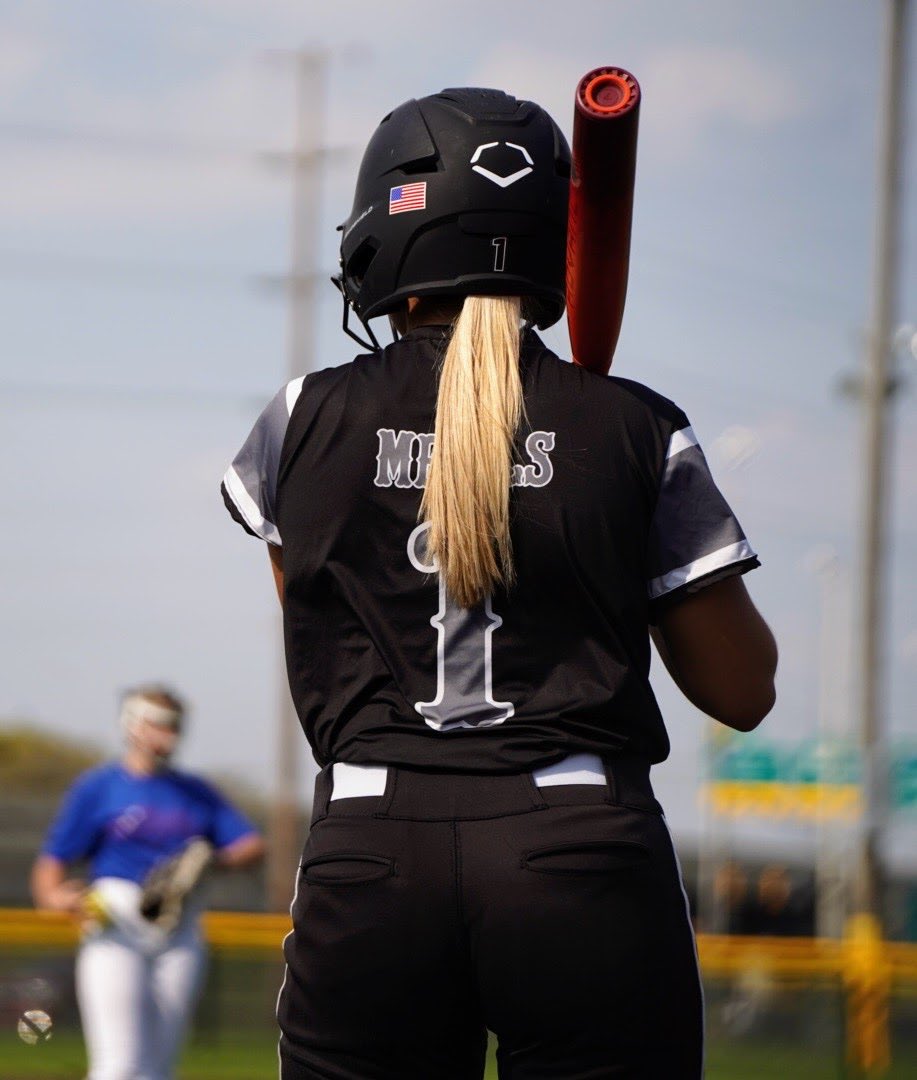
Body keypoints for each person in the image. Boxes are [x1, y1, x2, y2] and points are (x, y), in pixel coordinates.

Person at [222, 86, 777, 1079]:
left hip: (371, 850)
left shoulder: (301, 416)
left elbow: (316, 624)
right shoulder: (633, 424)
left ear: (381, 234)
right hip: (579, 856)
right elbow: (740, 691)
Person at [31, 685, 265, 1080]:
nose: (168, 734)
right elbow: (51, 866)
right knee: (119, 1064)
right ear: (132, 725)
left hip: (180, 926)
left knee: (159, 1067)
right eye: (158, 724)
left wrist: (212, 861)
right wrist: (56, 897)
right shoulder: (100, 786)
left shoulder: (196, 792)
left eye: (174, 725)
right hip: (116, 925)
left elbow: (252, 846)